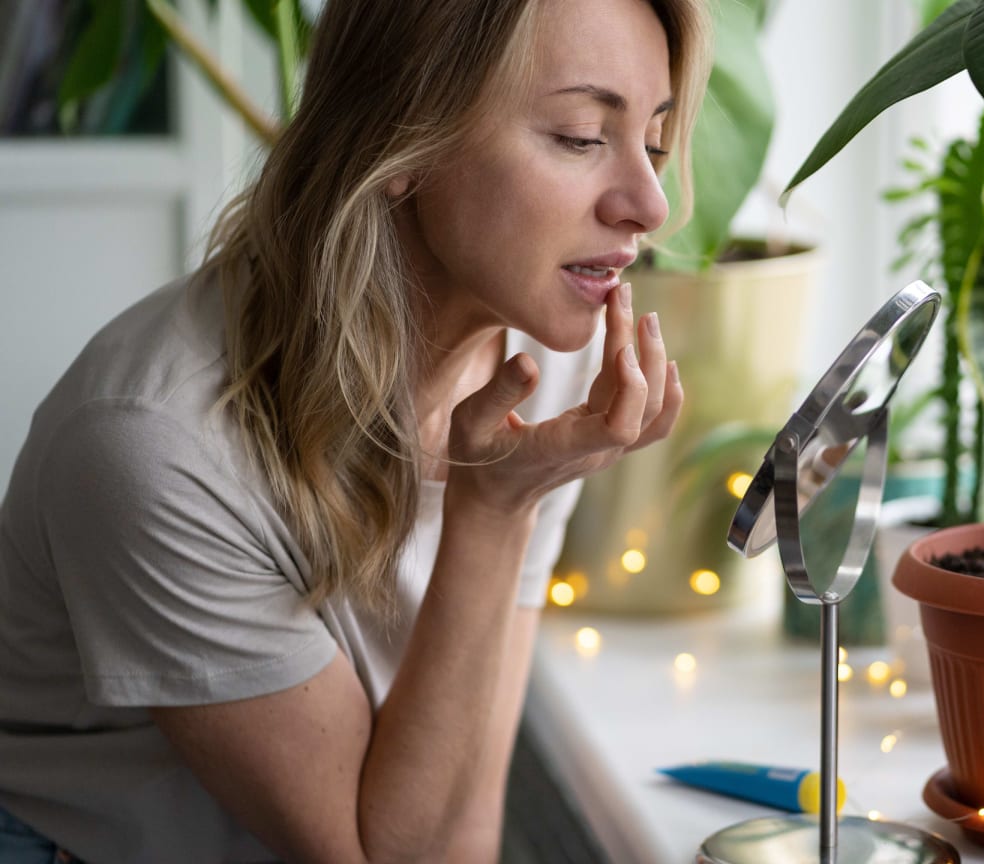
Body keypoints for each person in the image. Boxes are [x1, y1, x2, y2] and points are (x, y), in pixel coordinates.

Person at [0, 0, 710, 860]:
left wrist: (505, 503)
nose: (649, 203)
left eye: (657, 142)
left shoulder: (544, 349)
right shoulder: (154, 448)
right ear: (401, 140)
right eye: (579, 136)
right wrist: (493, 514)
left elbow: (454, 823)